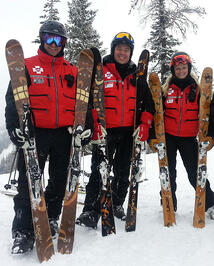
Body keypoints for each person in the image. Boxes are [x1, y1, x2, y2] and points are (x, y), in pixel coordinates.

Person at [5, 20, 92, 254]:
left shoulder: (72, 71)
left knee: (59, 180)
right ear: (42, 39)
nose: (54, 44)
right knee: (28, 183)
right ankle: (23, 230)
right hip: (36, 134)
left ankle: (51, 217)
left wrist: (87, 127)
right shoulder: (28, 66)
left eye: (60, 40)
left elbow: (85, 103)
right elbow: (13, 100)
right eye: (50, 38)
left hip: (64, 134)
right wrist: (14, 128)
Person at [76, 32, 155, 228]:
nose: (122, 52)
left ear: (130, 52)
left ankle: (117, 204)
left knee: (122, 171)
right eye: (119, 48)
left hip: (129, 132)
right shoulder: (101, 71)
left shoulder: (137, 76)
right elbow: (90, 99)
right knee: (98, 170)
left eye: (126, 50)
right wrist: (94, 123)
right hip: (106, 132)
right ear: (113, 50)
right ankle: (90, 210)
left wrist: (144, 124)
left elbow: (148, 105)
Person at [158, 51, 214, 216]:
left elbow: (208, 114)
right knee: (168, 173)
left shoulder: (198, 90)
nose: (181, 71)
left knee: (195, 173)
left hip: (189, 138)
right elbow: (156, 113)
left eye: (184, 67)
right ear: (173, 70)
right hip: (168, 137)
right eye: (177, 68)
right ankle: (168, 202)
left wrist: (209, 134)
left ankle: (209, 203)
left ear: (188, 68)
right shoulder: (166, 90)